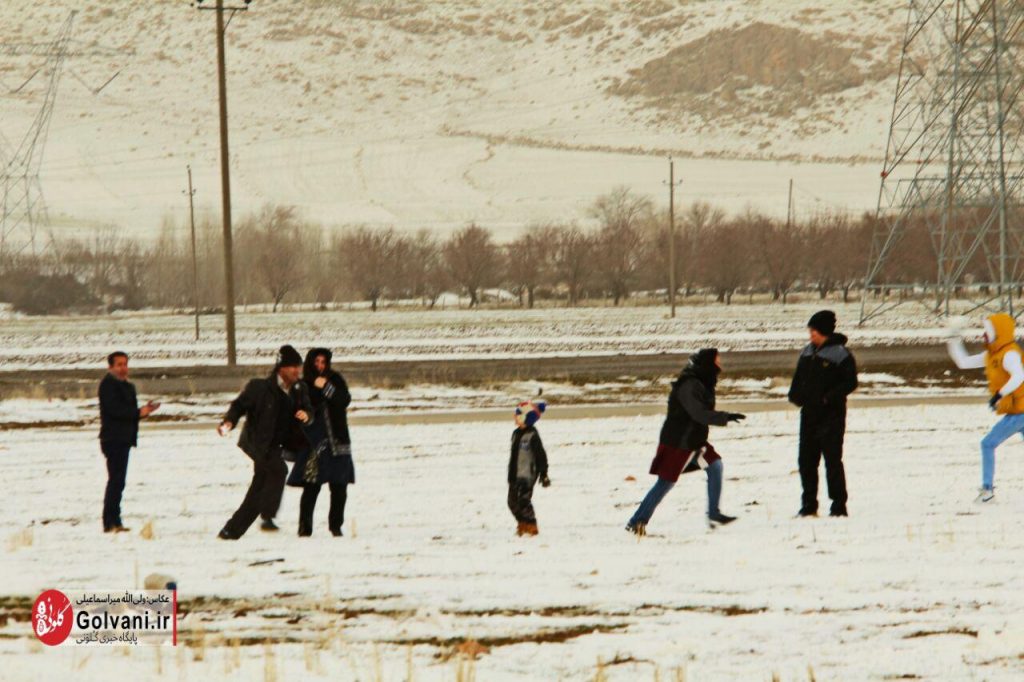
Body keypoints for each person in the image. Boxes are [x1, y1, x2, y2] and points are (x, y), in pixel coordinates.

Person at [626, 348, 744, 536]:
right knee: (665, 483)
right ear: (708, 363)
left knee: (715, 466)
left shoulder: (703, 381)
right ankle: (636, 521)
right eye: (718, 361)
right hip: (679, 443)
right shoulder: (689, 384)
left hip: (694, 442)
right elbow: (698, 414)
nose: (720, 364)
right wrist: (725, 417)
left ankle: (714, 513)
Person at [216, 345, 312, 540]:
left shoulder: (299, 389)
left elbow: (309, 410)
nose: (297, 371)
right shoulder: (259, 387)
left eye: (299, 366)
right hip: (257, 443)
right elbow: (238, 406)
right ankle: (266, 515)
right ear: (281, 368)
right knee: (278, 471)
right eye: (293, 366)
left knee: (259, 487)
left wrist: (307, 415)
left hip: (275, 446)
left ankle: (231, 531)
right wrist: (228, 422)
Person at [947, 313, 1024, 503]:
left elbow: (1019, 376)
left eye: (988, 331)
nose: (984, 334)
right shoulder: (991, 355)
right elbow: (963, 362)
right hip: (1016, 410)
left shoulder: (1010, 354)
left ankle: (987, 492)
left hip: (1021, 412)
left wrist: (999, 394)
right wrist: (953, 337)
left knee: (987, 443)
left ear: (999, 333)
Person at [788, 310, 858, 518]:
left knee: (832, 462)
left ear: (824, 332)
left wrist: (828, 398)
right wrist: (794, 396)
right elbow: (798, 379)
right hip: (808, 416)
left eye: (814, 331)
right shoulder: (807, 352)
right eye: (810, 331)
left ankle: (838, 506)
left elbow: (850, 383)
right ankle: (809, 505)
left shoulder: (841, 354)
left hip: (832, 417)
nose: (811, 335)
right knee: (806, 462)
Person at [287, 348, 355, 537]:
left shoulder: (335, 379)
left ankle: (336, 526)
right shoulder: (302, 386)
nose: (320, 366)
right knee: (311, 487)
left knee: (339, 487)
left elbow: (344, 400)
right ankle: (305, 527)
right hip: (314, 444)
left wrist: (326, 387)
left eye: (323, 362)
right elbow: (297, 410)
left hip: (338, 441)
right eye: (316, 362)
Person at [98, 351, 160, 533]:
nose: (123, 368)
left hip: (124, 438)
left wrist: (144, 411)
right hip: (113, 439)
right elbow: (115, 411)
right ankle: (110, 523)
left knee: (119, 482)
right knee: (115, 481)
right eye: (119, 364)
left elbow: (129, 413)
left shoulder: (128, 386)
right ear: (111, 367)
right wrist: (138, 413)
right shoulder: (108, 385)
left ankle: (115, 521)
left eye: (125, 364)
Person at [507, 399, 550, 536]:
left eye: (518, 415)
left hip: (528, 475)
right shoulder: (515, 434)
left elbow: (541, 456)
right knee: (512, 502)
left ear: (527, 418)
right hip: (514, 474)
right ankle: (522, 523)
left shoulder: (532, 436)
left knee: (524, 500)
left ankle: (531, 524)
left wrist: (543, 473)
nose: (515, 417)